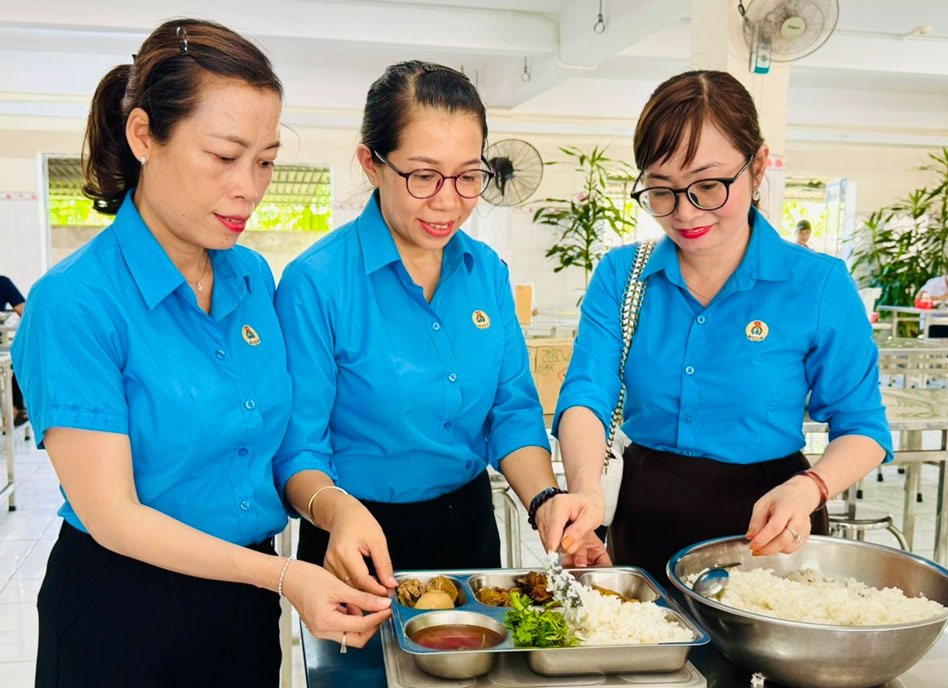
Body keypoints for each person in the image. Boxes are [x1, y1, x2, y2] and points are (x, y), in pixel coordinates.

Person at [12, 19, 390, 688]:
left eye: (267, 160)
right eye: (224, 156)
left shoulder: (252, 281)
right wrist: (285, 576)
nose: (251, 187)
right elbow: (116, 517)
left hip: (244, 602)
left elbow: (277, 452)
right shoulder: (75, 302)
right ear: (143, 137)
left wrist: (336, 508)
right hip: (123, 609)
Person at [275, 61, 608, 586]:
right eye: (424, 176)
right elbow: (298, 449)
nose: (449, 201)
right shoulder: (316, 284)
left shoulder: (486, 273)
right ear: (372, 163)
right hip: (354, 535)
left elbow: (512, 410)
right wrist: (337, 513)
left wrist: (546, 499)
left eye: (469, 176)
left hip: (468, 527)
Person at [554, 70, 892, 586]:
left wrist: (810, 489)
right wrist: (585, 490)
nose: (685, 212)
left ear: (757, 165)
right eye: (661, 191)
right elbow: (586, 393)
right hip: (645, 514)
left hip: (770, 522)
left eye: (709, 186)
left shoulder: (817, 284)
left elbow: (864, 427)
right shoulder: (623, 276)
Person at [0, 275, 27, 424]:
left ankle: (15, 408)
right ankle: (15, 409)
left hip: (2, 345)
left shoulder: (2, 282)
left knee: (18, 357)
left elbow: (24, 311)